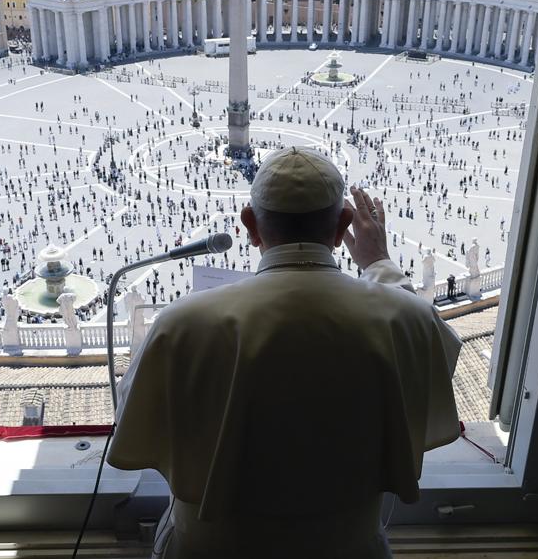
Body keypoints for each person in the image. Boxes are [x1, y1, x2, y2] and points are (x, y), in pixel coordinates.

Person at [108, 146, 461, 559]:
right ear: (342, 224)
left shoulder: (179, 324)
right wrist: (379, 263)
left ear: (250, 225)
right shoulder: (406, 318)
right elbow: (432, 352)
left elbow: (134, 420)